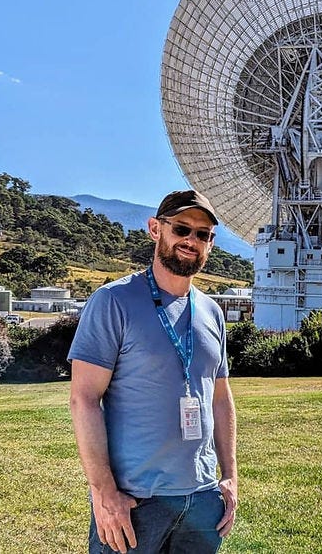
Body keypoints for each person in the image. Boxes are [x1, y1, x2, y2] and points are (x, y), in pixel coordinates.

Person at [68, 189, 238, 554]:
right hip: (135, 501)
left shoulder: (212, 312)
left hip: (203, 498)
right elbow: (84, 400)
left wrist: (230, 478)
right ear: (155, 229)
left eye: (203, 234)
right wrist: (104, 493)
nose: (191, 240)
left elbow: (221, 399)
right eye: (181, 229)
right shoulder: (114, 301)